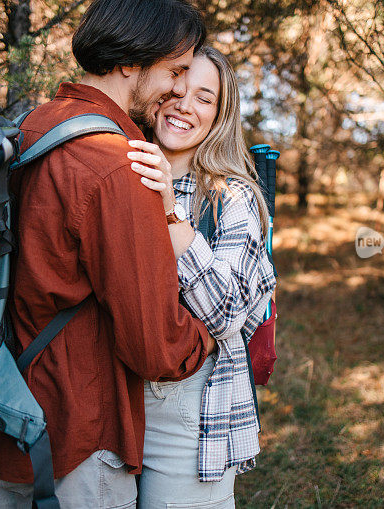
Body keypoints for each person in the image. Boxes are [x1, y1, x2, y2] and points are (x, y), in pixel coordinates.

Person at [0, 0, 216, 507]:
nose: (176, 88)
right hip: (72, 434)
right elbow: (153, 344)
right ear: (132, 61)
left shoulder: (32, 126)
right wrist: (206, 336)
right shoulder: (119, 163)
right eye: (175, 69)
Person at [127, 46, 277, 507]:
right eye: (177, 86)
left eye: (204, 97)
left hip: (192, 413)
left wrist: (171, 213)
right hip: (115, 398)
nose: (184, 104)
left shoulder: (231, 197)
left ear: (220, 114)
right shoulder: (119, 170)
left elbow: (228, 312)